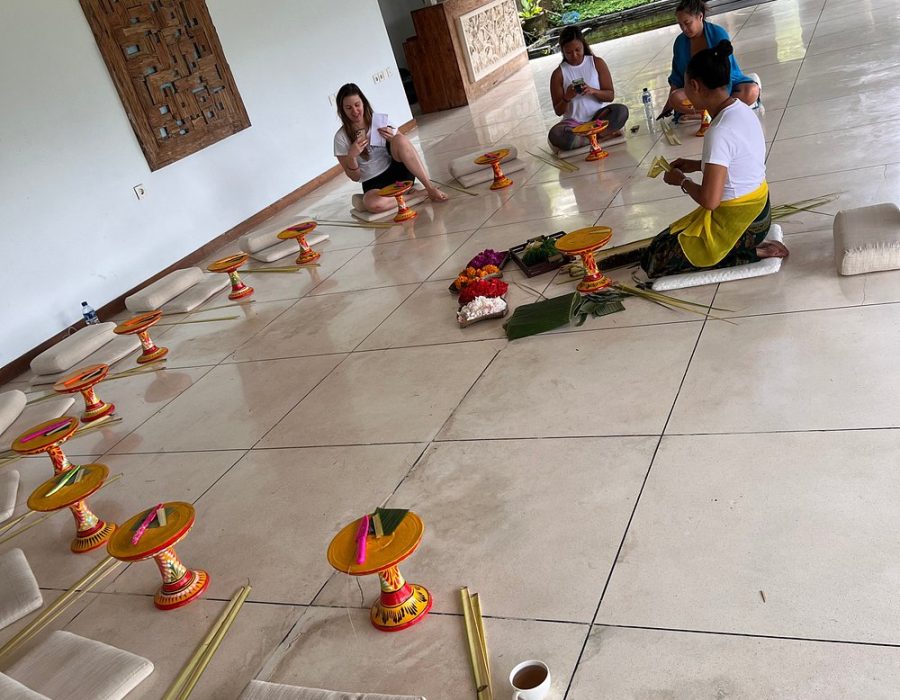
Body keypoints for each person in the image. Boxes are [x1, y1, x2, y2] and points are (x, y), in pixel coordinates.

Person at [640, 40, 787, 279]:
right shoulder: (740, 109)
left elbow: (710, 201)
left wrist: (682, 180)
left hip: (743, 225)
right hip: (760, 210)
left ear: (695, 86)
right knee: (660, 243)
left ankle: (751, 253)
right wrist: (697, 165)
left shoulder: (718, 132)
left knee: (655, 261)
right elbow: (739, 163)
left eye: (685, 87)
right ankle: (748, 246)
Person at [333, 83, 446, 213]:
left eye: (357, 105)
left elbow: (406, 148)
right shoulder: (340, 138)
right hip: (373, 183)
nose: (354, 111)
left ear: (363, 103)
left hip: (398, 172)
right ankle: (417, 194)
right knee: (372, 204)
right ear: (342, 111)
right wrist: (352, 156)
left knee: (400, 139)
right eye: (348, 108)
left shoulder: (379, 122)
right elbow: (355, 177)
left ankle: (429, 188)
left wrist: (392, 138)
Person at [660, 0, 760, 121]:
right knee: (675, 98)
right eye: (680, 25)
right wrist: (669, 104)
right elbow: (677, 77)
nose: (684, 29)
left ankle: (707, 113)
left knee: (751, 91)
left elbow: (726, 71)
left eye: (687, 23)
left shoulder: (718, 33)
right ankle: (706, 113)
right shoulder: (680, 43)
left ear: (700, 17)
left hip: (721, 86)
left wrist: (720, 95)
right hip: (696, 90)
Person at [548, 26, 629, 151]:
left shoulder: (596, 63)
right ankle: (602, 137)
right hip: (574, 124)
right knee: (555, 135)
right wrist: (567, 97)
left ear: (583, 46)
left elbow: (610, 96)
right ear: (563, 51)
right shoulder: (558, 74)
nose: (574, 55)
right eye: (569, 52)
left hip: (598, 118)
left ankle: (589, 139)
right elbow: (558, 111)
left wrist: (593, 91)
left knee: (621, 111)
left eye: (577, 50)